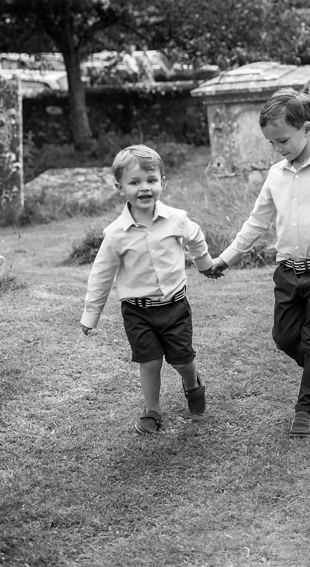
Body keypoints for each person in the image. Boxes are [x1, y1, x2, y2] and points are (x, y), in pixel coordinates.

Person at [205, 88, 310, 438]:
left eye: (283, 140)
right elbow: (256, 222)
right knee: (284, 338)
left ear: (307, 128)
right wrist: (225, 259)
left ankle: (307, 407)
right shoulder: (276, 175)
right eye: (272, 143)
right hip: (288, 271)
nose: (278, 149)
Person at [80, 144, 216, 435]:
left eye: (151, 180)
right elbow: (101, 275)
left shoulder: (177, 220)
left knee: (183, 359)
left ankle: (192, 383)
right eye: (135, 182)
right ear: (120, 188)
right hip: (137, 312)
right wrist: (91, 314)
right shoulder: (116, 234)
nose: (144, 188)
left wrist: (204, 263)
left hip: (174, 306)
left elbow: (195, 238)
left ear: (162, 183)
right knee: (150, 361)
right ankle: (152, 410)